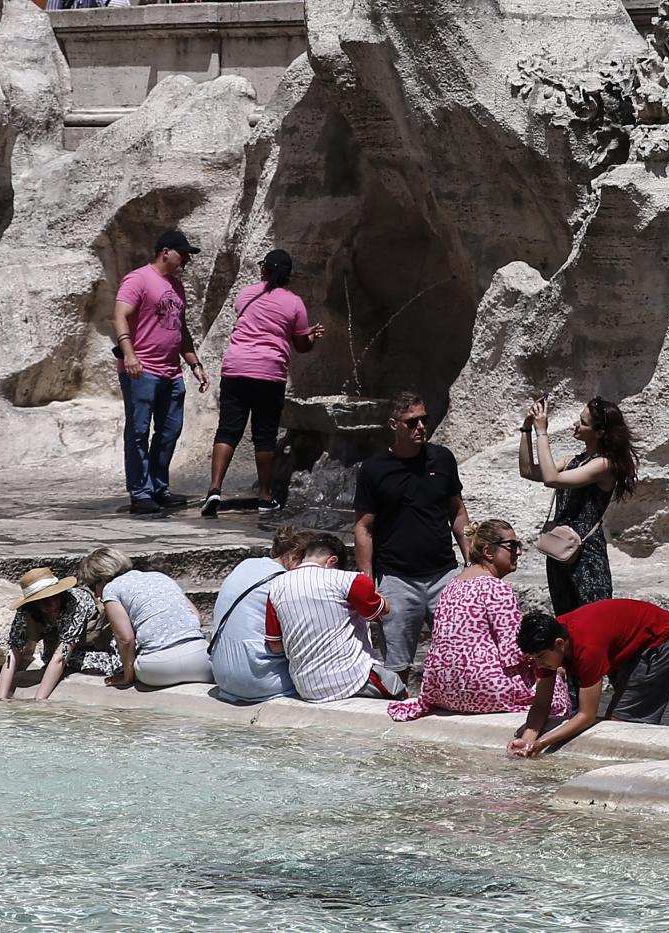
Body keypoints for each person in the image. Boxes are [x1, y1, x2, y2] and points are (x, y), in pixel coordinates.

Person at [387, 520, 572, 722]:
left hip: (441, 690)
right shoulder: (497, 589)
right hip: (481, 689)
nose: (518, 552)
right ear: (488, 552)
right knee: (554, 692)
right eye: (512, 546)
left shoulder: (452, 586)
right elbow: (514, 651)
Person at [353, 390, 470, 686]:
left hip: (444, 574)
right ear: (394, 425)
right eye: (412, 422)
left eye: (424, 420)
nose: (421, 427)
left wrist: (471, 562)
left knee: (460, 654)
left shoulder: (442, 459)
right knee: (396, 664)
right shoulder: (374, 469)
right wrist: (367, 580)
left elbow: (457, 511)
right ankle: (395, 713)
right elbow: (364, 527)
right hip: (396, 579)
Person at [201, 249, 325, 518]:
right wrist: (312, 336)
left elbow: (245, 320)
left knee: (228, 429)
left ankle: (213, 489)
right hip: (269, 372)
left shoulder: (246, 294)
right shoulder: (294, 303)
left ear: (264, 271)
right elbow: (302, 346)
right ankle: (265, 497)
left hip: (235, 368)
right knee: (265, 435)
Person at [508, 599, 669, 758]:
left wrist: (542, 743)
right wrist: (527, 740)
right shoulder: (547, 646)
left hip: (663, 638)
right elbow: (541, 705)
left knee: (623, 723)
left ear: (560, 644)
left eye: (540, 657)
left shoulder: (587, 648)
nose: (538, 665)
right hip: (633, 643)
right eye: (534, 659)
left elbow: (587, 715)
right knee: (617, 717)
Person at [112, 230, 210, 516]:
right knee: (139, 431)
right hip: (142, 369)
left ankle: (158, 487)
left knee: (169, 431)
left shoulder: (176, 287)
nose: (187, 260)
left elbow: (180, 329)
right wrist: (129, 354)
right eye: (184, 254)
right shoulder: (138, 278)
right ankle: (140, 492)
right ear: (165, 252)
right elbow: (119, 315)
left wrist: (195, 364)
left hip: (172, 371)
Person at [519, 395, 639, 615]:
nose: (576, 424)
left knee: (593, 620)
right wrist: (526, 429)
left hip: (586, 557)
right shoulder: (572, 461)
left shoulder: (604, 465)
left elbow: (551, 478)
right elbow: (528, 471)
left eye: (583, 422)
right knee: (566, 622)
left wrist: (542, 432)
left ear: (600, 433)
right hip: (559, 553)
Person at [264, 532, 406, 702]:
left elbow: (275, 645)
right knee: (398, 690)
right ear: (332, 561)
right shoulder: (349, 579)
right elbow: (381, 610)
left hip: (305, 688)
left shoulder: (276, 587)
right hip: (352, 680)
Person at [76, 546, 213, 688]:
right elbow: (196, 616)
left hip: (158, 669)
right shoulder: (159, 577)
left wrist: (127, 677)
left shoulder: (111, 589)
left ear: (102, 579)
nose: (96, 595)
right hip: (201, 661)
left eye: (93, 587)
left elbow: (125, 639)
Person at [209, 526, 314, 703]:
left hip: (221, 677)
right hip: (257, 682)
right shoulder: (285, 582)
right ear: (295, 556)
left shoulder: (246, 564)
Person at [0, 567, 121, 700]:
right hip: (60, 653)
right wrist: (0, 700)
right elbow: (12, 655)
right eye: (44, 600)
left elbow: (61, 656)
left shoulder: (76, 602)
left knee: (95, 665)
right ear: (33, 603)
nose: (53, 604)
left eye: (55, 597)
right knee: (50, 660)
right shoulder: (25, 612)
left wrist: (39, 700)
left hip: (99, 649)